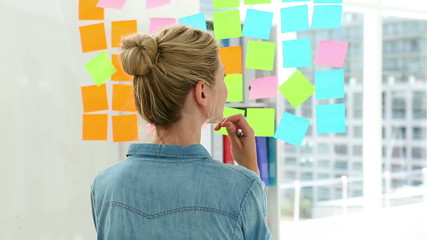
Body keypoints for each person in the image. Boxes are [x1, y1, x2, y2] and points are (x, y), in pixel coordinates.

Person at [90, 25, 272, 240]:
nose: (225, 88)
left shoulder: (105, 185)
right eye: (223, 77)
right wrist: (250, 169)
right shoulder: (241, 188)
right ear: (202, 92)